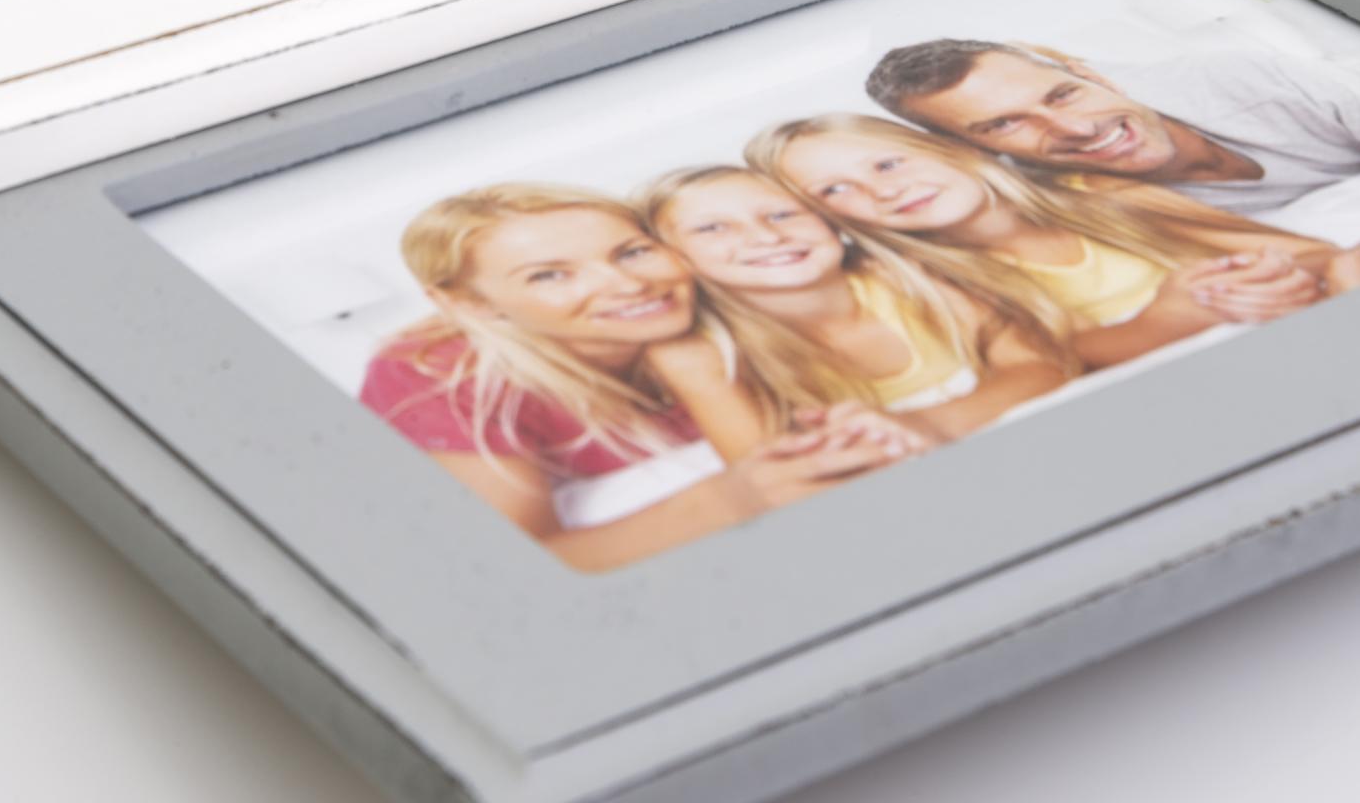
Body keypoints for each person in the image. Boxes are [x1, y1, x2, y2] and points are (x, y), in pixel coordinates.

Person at [361, 184, 917, 571]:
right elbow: (515, 567)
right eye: (549, 275)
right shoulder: (434, 373)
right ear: (469, 304)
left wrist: (697, 373)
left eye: (633, 252)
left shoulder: (723, 303)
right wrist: (733, 498)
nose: (627, 285)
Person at [751, 113, 1360, 370]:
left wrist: (1284, 272)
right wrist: (1169, 316)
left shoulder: (1094, 193)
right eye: (836, 190)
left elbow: (1301, 251)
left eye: (888, 164)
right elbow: (1060, 358)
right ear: (828, 219)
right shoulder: (922, 278)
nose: (883, 190)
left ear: (952, 150)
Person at [639, 165, 1070, 444]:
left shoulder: (907, 279)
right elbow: (774, 479)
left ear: (830, 222)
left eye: (783, 214)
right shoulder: (709, 354)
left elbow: (1042, 367)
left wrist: (928, 425)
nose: (767, 237)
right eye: (712, 229)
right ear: (673, 257)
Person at [865, 39, 1360, 217]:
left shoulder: (1247, 75)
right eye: (1006, 124)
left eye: (1063, 94)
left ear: (1092, 75)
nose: (1076, 129)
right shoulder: (1075, 211)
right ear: (974, 149)